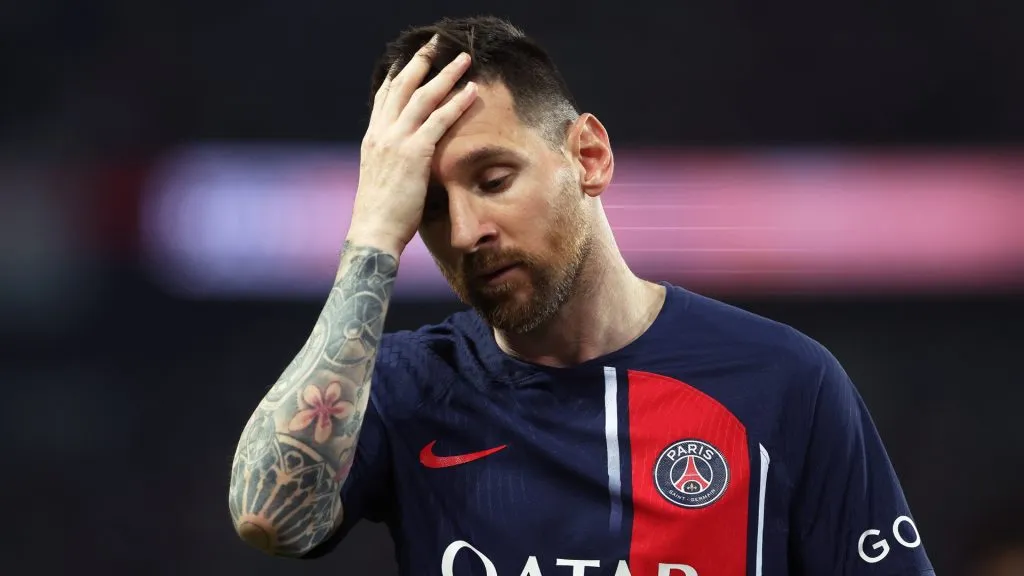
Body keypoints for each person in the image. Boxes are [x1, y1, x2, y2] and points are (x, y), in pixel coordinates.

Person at [228, 15, 935, 576]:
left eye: (494, 179)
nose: (469, 230)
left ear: (588, 157)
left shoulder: (785, 382)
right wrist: (373, 236)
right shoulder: (406, 389)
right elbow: (268, 517)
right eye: (432, 210)